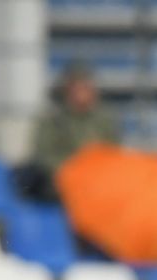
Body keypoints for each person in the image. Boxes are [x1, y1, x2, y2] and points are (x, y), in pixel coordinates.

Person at [21, 63, 119, 200]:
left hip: (99, 181)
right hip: (62, 184)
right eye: (77, 87)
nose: (82, 92)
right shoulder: (53, 120)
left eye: (86, 87)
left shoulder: (103, 121)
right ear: (67, 90)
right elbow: (43, 156)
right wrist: (75, 169)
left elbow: (114, 153)